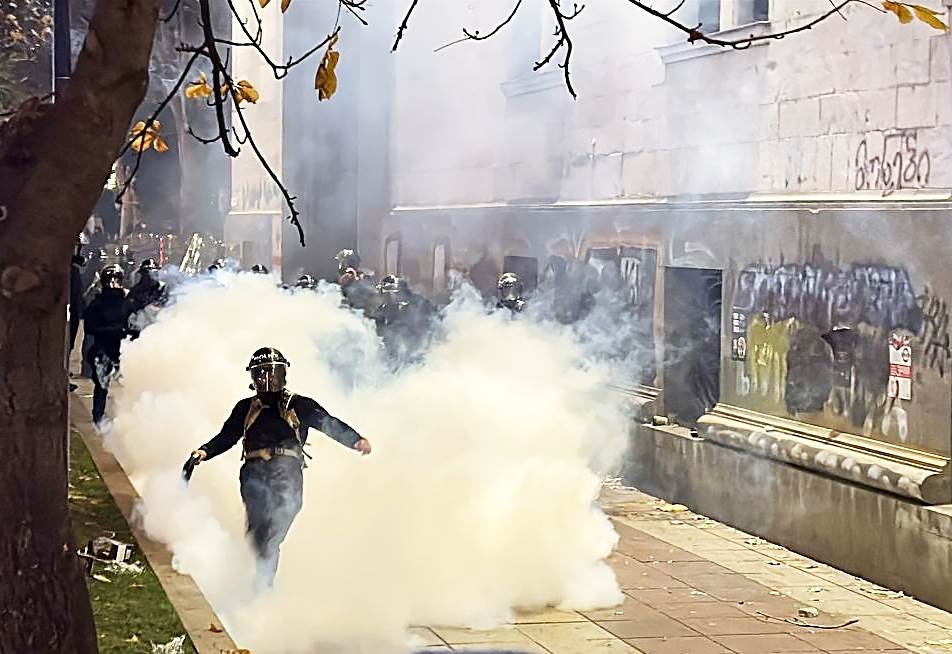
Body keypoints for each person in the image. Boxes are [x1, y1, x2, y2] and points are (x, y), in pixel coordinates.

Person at [185, 347, 372, 587]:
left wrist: (355, 439)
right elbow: (227, 436)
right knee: (256, 534)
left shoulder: (300, 404)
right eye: (261, 374)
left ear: (283, 373)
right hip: (253, 474)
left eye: (272, 372)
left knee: (274, 531)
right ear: (253, 378)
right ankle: (258, 583)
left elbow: (328, 423)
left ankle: (262, 583)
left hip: (287, 474)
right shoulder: (245, 408)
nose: (267, 379)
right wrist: (205, 451)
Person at [83, 265, 128, 425]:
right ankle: (98, 417)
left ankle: (128, 417)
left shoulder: (126, 301)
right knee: (102, 384)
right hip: (104, 349)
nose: (113, 284)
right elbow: (89, 327)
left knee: (130, 384)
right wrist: (113, 330)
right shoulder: (98, 303)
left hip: (124, 349)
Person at [125, 258, 168, 339]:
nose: (148, 277)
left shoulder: (164, 289)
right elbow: (127, 310)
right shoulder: (135, 291)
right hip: (139, 330)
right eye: (146, 274)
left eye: (152, 273)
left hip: (159, 329)